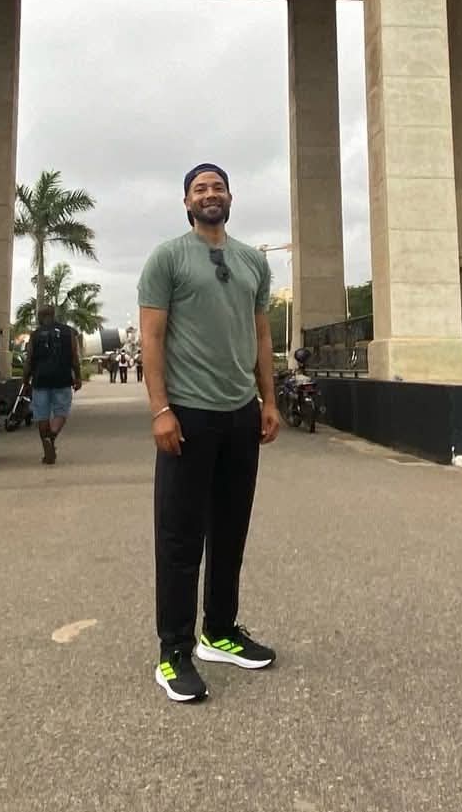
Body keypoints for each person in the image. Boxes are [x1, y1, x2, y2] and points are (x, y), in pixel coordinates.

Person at [138, 162, 279, 705]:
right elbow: (151, 337)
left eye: (218, 186)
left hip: (240, 413)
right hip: (188, 416)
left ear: (230, 197)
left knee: (230, 529)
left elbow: (261, 333)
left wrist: (268, 399)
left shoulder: (250, 262)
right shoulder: (167, 258)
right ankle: (173, 651)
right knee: (179, 537)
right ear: (186, 203)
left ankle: (219, 631)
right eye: (200, 189)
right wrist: (160, 409)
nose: (210, 194)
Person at [21, 305, 82, 464]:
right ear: (54, 315)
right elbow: (75, 357)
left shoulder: (35, 335)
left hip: (40, 379)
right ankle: (52, 436)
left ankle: (47, 450)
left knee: (42, 415)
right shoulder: (68, 332)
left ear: (40, 317)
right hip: (62, 378)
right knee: (61, 412)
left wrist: (25, 380)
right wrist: (78, 377)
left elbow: (29, 359)